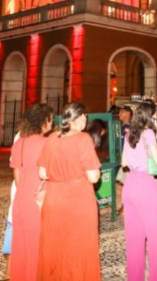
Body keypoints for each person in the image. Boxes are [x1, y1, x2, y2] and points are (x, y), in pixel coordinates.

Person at [37, 102, 101, 280]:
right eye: (83, 117)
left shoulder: (51, 138)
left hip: (54, 199)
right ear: (78, 118)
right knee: (79, 247)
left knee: (56, 246)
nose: (84, 121)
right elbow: (94, 177)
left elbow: (42, 173)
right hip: (78, 201)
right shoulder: (83, 139)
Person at [122, 102, 157, 280]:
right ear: (150, 116)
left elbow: (124, 162)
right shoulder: (148, 133)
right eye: (155, 115)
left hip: (130, 184)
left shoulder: (129, 134)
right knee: (154, 237)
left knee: (134, 239)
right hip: (145, 185)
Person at [9, 104, 53, 281]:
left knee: (22, 243)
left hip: (22, 196)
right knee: (39, 243)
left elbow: (17, 171)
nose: (52, 122)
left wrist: (24, 191)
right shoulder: (47, 143)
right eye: (50, 119)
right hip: (41, 196)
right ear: (43, 122)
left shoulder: (20, 142)